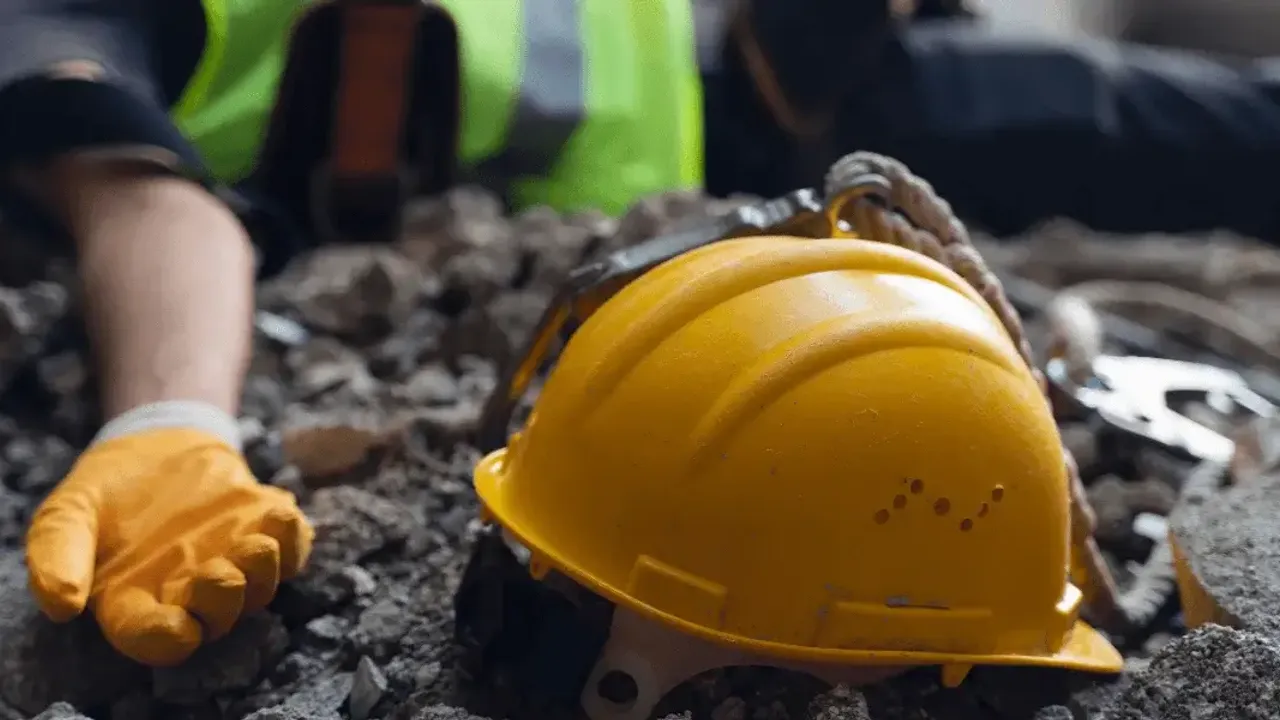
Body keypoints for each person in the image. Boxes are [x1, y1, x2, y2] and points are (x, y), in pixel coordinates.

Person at [8, 0, 1280, 669]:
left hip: (762, 76)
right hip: (707, 155)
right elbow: (144, 206)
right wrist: (168, 416)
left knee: (1199, 128)